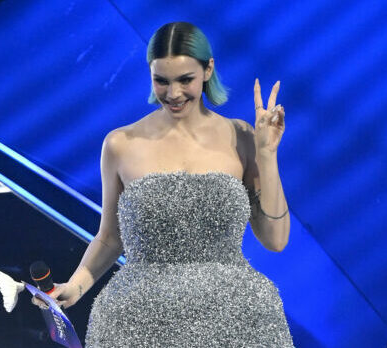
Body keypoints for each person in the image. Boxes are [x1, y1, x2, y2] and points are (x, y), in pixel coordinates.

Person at [33, 21, 294, 347]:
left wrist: (267, 154)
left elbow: (276, 239)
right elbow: (110, 238)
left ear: (208, 69)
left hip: (237, 319)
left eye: (185, 80)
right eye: (161, 81)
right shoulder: (120, 144)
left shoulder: (241, 136)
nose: (173, 94)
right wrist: (75, 286)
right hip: (136, 323)